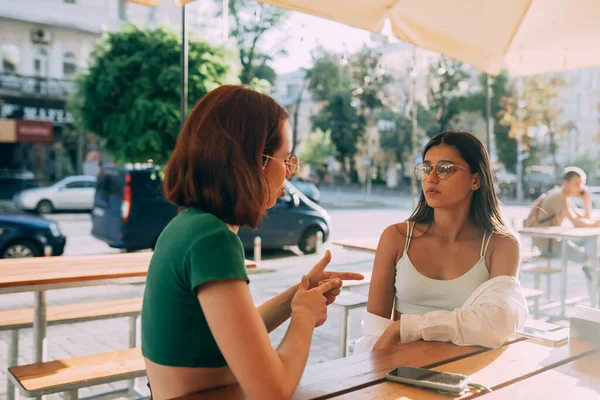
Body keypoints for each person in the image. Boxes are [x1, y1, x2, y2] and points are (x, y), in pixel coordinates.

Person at [141, 85, 363, 400]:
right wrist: (303, 316)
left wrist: (296, 297)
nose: (288, 174)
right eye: (286, 160)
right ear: (255, 161)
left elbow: (232, 332)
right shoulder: (212, 239)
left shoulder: (189, 226)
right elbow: (272, 391)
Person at [354, 131, 528, 353]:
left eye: (446, 169)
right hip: (399, 365)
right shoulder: (396, 237)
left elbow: (499, 322)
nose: (431, 178)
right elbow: (375, 331)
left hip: (466, 366)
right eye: (427, 168)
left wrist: (408, 328)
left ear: (475, 180)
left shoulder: (501, 244)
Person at [524, 166, 600, 290]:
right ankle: (593, 281)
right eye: (576, 183)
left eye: (581, 184)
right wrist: (594, 224)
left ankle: (591, 268)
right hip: (548, 244)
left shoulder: (565, 197)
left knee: (592, 244)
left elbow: (584, 218)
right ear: (565, 182)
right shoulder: (558, 197)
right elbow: (577, 223)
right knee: (590, 259)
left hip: (555, 240)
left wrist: (586, 201)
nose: (579, 187)